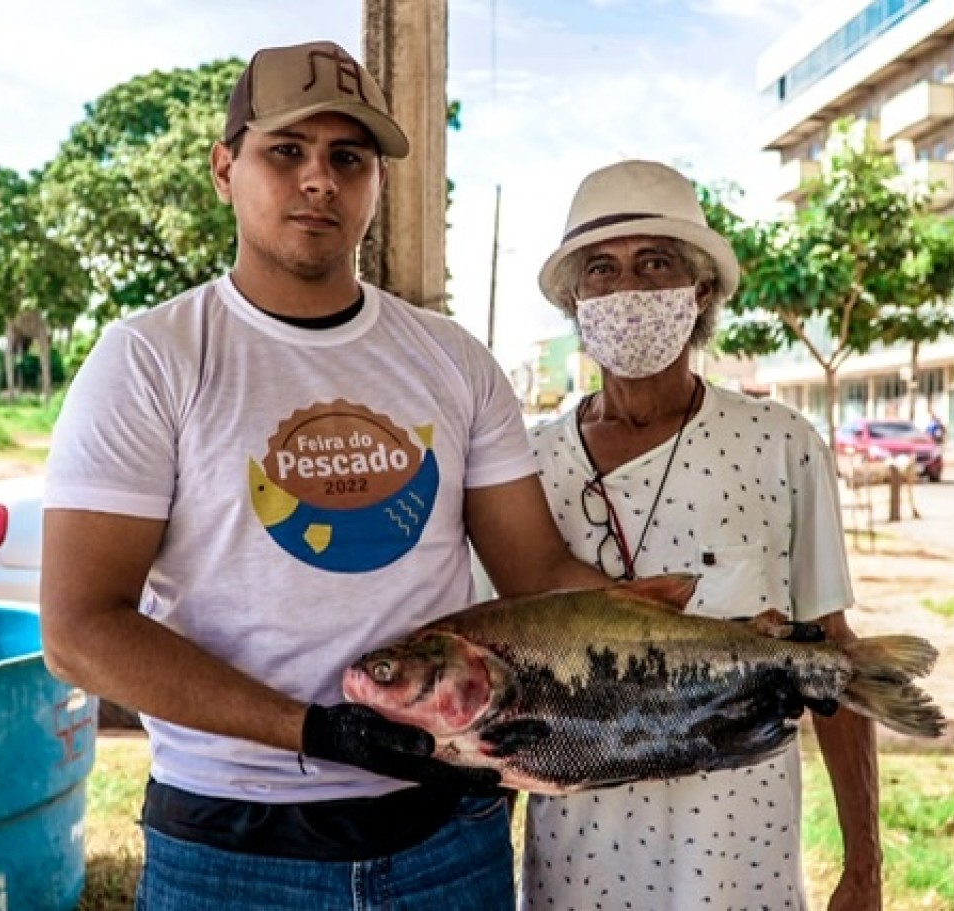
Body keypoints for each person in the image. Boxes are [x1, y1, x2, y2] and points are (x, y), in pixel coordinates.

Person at [39, 41, 609, 910]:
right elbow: (80, 629)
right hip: (230, 852)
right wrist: (314, 731)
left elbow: (542, 579)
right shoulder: (151, 359)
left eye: (349, 157)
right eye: (287, 151)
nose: (319, 180)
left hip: (446, 840)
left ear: (377, 181)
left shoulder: (453, 360)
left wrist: (722, 643)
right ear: (225, 167)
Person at [519, 160, 882, 910]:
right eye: (601, 270)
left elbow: (832, 654)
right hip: (576, 856)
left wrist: (864, 864)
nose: (627, 291)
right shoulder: (529, 463)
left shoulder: (780, 444)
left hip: (736, 850)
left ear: (701, 291)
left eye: (654, 265)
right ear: (575, 300)